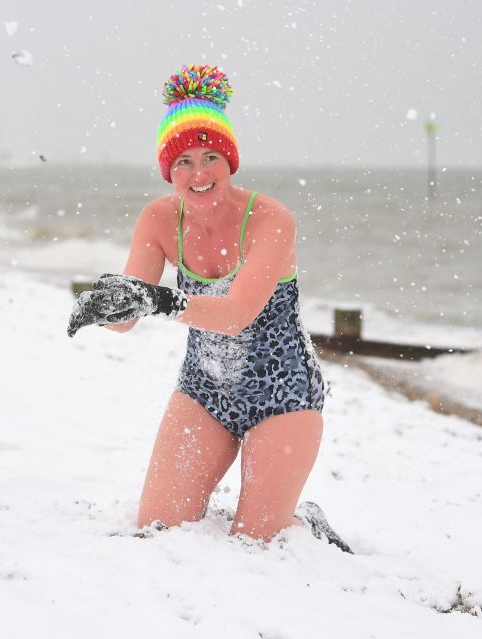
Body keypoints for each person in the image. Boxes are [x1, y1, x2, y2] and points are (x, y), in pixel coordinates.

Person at [67, 65, 350, 553]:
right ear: (167, 170)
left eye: (211, 157)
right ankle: (276, 507)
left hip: (283, 392)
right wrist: (109, 306)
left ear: (230, 161)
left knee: (257, 541)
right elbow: (130, 317)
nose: (199, 175)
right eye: (184, 163)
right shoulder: (158, 219)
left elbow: (238, 312)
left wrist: (158, 300)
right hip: (204, 389)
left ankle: (304, 521)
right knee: (158, 527)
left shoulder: (269, 219)